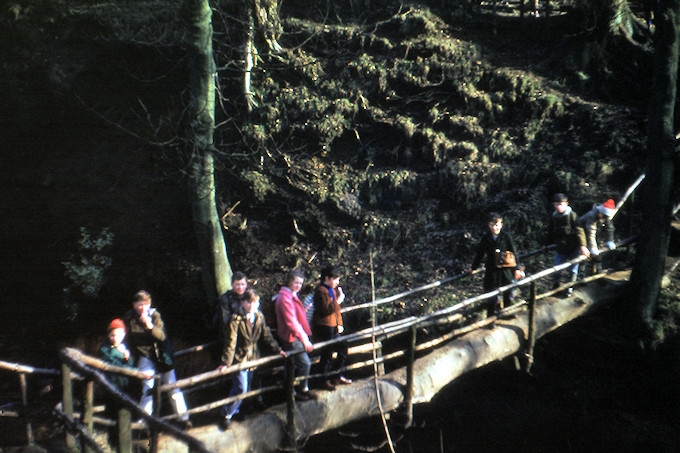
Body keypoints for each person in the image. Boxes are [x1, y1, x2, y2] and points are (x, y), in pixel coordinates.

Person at [217, 289, 286, 430]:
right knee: (241, 388)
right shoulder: (236, 319)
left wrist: (277, 349)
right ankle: (225, 414)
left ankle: (236, 411)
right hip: (240, 359)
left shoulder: (259, 316)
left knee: (246, 388)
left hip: (253, 357)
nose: (252, 305)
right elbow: (231, 342)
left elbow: (266, 335)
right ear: (243, 303)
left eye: (255, 302)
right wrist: (225, 362)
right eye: (249, 302)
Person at [124, 290, 191, 428]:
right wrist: (125, 350)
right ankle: (144, 422)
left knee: (172, 387)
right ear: (134, 305)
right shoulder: (129, 318)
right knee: (148, 388)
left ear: (149, 304)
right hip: (145, 356)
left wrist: (150, 326)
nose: (142, 308)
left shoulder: (155, 315)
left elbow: (162, 336)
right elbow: (127, 338)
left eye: (145, 304)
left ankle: (183, 419)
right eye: (139, 304)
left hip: (162, 356)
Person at [274, 270, 317, 401]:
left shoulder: (291, 295)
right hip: (291, 337)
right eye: (296, 282)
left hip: (292, 335)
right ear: (289, 282)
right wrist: (305, 340)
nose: (298, 286)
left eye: (300, 283)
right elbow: (291, 322)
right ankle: (301, 389)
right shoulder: (284, 298)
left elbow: (294, 316)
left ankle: (291, 391)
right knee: (305, 363)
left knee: (291, 364)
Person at [471, 213, 524, 318]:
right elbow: (480, 254)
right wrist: (473, 267)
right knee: (492, 293)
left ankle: (507, 313)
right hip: (492, 269)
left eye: (496, 225)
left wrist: (517, 268)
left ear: (501, 225)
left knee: (507, 291)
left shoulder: (506, 237)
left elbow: (514, 252)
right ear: (488, 225)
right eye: (491, 225)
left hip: (506, 268)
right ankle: (491, 318)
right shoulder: (486, 238)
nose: (494, 228)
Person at [312, 266, 352, 391]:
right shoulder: (320, 291)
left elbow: (336, 311)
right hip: (324, 327)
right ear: (327, 278)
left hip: (333, 326)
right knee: (327, 354)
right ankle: (323, 380)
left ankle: (336, 374)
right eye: (335, 279)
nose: (337, 282)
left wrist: (339, 323)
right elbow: (325, 311)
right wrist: (338, 301)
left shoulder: (332, 290)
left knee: (343, 349)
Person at [544, 193, 590, 297]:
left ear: (566, 204)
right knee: (557, 266)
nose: (558, 207)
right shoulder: (554, 216)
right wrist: (545, 244)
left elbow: (579, 230)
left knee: (573, 268)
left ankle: (570, 287)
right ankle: (557, 286)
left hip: (574, 246)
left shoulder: (572, 216)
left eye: (560, 204)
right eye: (556, 204)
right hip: (561, 247)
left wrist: (583, 246)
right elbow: (550, 231)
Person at [579, 198, 616, 275]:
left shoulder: (605, 216)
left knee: (597, 257)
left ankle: (598, 273)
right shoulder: (591, 216)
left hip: (595, 237)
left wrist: (610, 240)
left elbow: (610, 228)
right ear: (600, 212)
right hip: (582, 236)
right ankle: (581, 275)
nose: (604, 218)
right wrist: (593, 247)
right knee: (584, 257)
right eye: (603, 216)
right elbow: (590, 232)